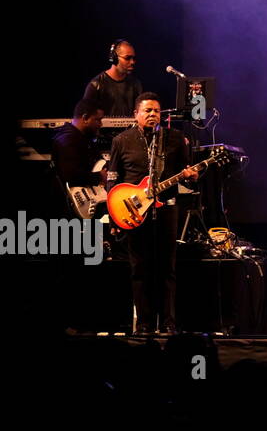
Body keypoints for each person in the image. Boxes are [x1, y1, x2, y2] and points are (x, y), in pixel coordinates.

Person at [108, 93, 198, 336]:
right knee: (140, 268)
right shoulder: (121, 140)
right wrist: (113, 216)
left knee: (167, 268)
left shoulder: (175, 138)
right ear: (136, 114)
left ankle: (168, 322)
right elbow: (112, 179)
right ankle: (145, 324)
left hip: (166, 208)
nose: (152, 115)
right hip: (132, 211)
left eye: (156, 111)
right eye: (147, 110)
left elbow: (186, 176)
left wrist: (191, 177)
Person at [51, 99, 105, 192]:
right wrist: (99, 176)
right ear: (85, 118)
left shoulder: (82, 137)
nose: (101, 124)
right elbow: (71, 175)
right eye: (98, 120)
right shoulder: (67, 140)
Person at [83, 40, 144, 118]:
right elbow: (86, 117)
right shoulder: (96, 84)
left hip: (130, 130)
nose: (132, 62)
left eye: (133, 58)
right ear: (114, 58)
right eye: (127, 58)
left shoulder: (136, 84)